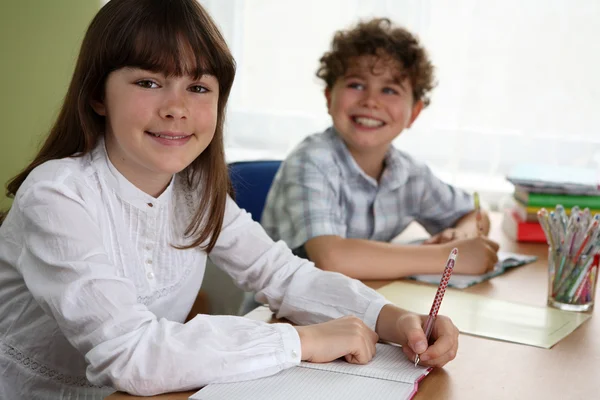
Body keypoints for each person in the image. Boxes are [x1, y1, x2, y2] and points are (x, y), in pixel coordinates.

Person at [0, 2, 459, 399]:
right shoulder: (56, 195)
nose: (176, 107)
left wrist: (393, 320)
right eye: (149, 82)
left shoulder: (195, 192)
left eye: (198, 87)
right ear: (98, 93)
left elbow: (282, 275)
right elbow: (130, 353)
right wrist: (297, 341)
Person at [261, 18, 500, 280]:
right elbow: (332, 257)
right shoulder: (312, 160)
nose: (371, 101)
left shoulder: (408, 172)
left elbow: (474, 213)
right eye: (356, 85)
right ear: (329, 98)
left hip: (360, 305)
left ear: (414, 113)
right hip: (281, 316)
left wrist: (460, 238)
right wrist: (449, 257)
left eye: (389, 90)